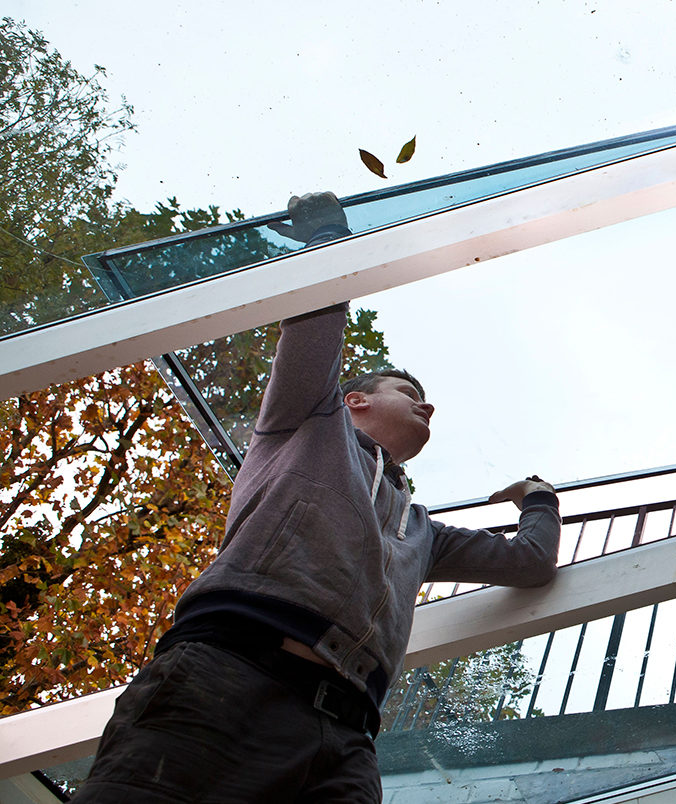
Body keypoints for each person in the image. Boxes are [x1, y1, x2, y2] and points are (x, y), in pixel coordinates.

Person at [74, 192, 562, 803]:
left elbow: (530, 564)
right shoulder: (307, 421)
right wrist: (328, 236)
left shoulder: (420, 530)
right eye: (408, 390)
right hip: (226, 681)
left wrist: (538, 496)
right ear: (355, 399)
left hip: (347, 738)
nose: (427, 404)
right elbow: (316, 323)